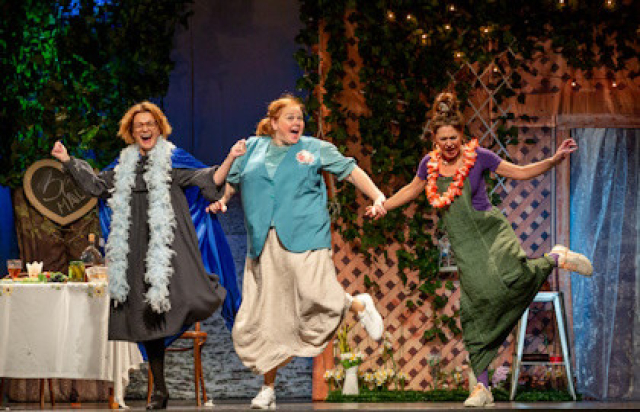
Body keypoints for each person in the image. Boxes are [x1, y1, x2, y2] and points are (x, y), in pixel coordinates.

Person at [367, 93, 593, 407]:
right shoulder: (429, 166)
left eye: (454, 137)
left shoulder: (480, 157)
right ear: (434, 139)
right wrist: (383, 207)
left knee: (516, 276)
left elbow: (519, 172)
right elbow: (411, 189)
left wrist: (553, 160)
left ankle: (556, 257)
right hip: (465, 245)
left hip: (491, 232)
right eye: (443, 138)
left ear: (462, 135)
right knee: (475, 308)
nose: (449, 144)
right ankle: (482, 387)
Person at [51, 101, 246, 409]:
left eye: (150, 124)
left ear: (159, 128)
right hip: (135, 250)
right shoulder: (122, 166)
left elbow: (209, 179)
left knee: (193, 295)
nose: (145, 128)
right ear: (131, 132)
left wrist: (231, 157)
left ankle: (208, 298)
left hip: (169, 249)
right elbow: (96, 186)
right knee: (148, 319)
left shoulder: (173, 160)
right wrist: (67, 160)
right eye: (139, 125)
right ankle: (160, 391)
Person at [207, 94, 386, 410]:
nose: (297, 123)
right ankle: (268, 388)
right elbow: (234, 181)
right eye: (290, 118)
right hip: (263, 240)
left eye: (300, 118)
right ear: (274, 122)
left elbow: (349, 170)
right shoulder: (252, 147)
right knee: (268, 316)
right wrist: (223, 200)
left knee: (314, 293)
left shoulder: (315, 148)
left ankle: (358, 305)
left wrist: (377, 195)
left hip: (307, 234)